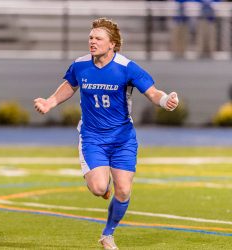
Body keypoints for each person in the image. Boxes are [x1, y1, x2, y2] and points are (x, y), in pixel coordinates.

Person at [34, 18, 179, 250]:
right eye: (90, 38)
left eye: (98, 38)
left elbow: (151, 92)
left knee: (123, 190)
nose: (92, 42)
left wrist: (164, 100)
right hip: (92, 137)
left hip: (123, 138)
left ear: (112, 44)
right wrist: (50, 102)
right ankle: (102, 184)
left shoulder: (127, 67)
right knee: (99, 188)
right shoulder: (80, 65)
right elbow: (70, 85)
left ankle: (108, 234)